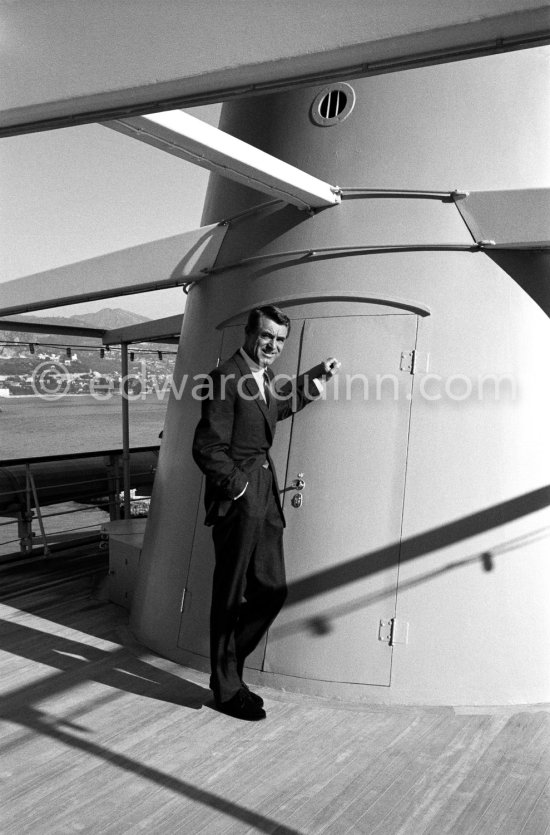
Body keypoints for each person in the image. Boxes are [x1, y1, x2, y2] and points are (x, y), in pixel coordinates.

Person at [192, 304, 340, 720]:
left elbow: (279, 406)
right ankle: (226, 689)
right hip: (239, 495)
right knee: (228, 595)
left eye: (279, 340)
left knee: (272, 590)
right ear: (250, 333)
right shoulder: (225, 379)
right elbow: (206, 447)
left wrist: (316, 377)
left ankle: (229, 673)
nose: (272, 346)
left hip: (265, 493)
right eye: (267, 337)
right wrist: (238, 487)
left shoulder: (265, 378)